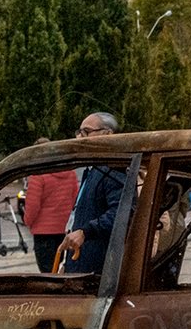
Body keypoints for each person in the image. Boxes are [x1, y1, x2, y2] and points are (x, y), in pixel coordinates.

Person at [59, 113, 124, 275]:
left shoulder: (112, 170)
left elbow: (121, 212)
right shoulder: (93, 170)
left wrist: (86, 232)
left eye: (86, 132)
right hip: (81, 263)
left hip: (98, 269)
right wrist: (67, 263)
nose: (79, 138)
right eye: (79, 132)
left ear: (108, 134)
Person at [22, 161, 79, 275]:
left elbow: (32, 205)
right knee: (57, 265)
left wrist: (27, 221)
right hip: (63, 229)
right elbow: (75, 198)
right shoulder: (71, 174)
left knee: (46, 271)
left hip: (42, 231)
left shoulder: (38, 176)